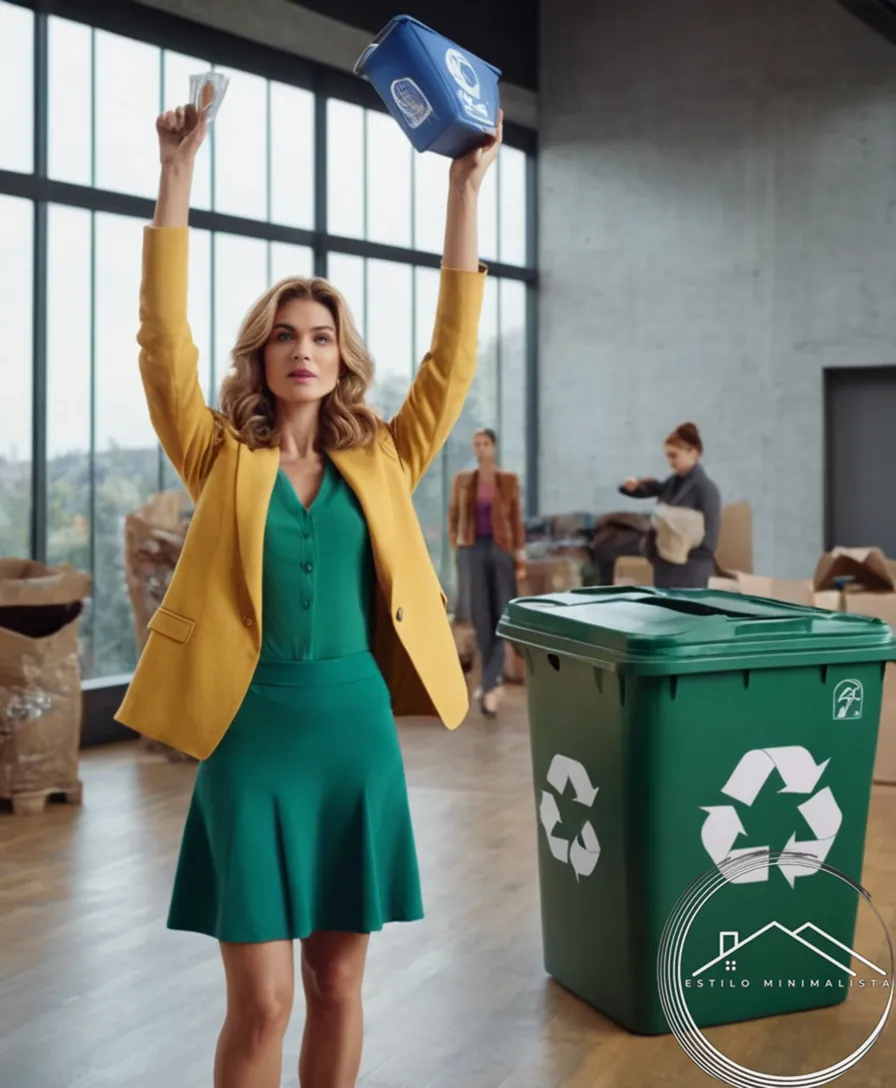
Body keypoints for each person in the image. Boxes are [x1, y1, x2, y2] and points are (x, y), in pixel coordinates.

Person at [114, 99, 500, 1088]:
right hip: (248, 734)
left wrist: (463, 188)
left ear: (340, 356)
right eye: (285, 334)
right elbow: (164, 345)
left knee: (335, 982)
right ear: (264, 353)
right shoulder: (218, 458)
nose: (303, 348)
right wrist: (175, 175)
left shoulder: (384, 457)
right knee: (263, 1003)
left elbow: (450, 358)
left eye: (321, 335)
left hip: (351, 732)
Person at [448, 428, 526, 717]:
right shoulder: (462, 480)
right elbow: (453, 514)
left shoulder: (507, 480)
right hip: (472, 550)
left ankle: (490, 681)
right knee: (481, 616)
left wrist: (520, 557)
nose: (480, 448)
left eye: (485, 444)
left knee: (502, 614)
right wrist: (456, 546)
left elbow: (516, 518)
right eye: (476, 444)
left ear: (493, 447)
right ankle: (491, 682)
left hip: (500, 550)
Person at [620, 421, 721, 589]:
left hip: (689, 568)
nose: (670, 461)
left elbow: (709, 538)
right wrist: (635, 486)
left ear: (694, 453)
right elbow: (654, 489)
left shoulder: (705, 489)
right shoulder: (673, 483)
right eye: (668, 456)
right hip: (666, 563)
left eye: (674, 455)